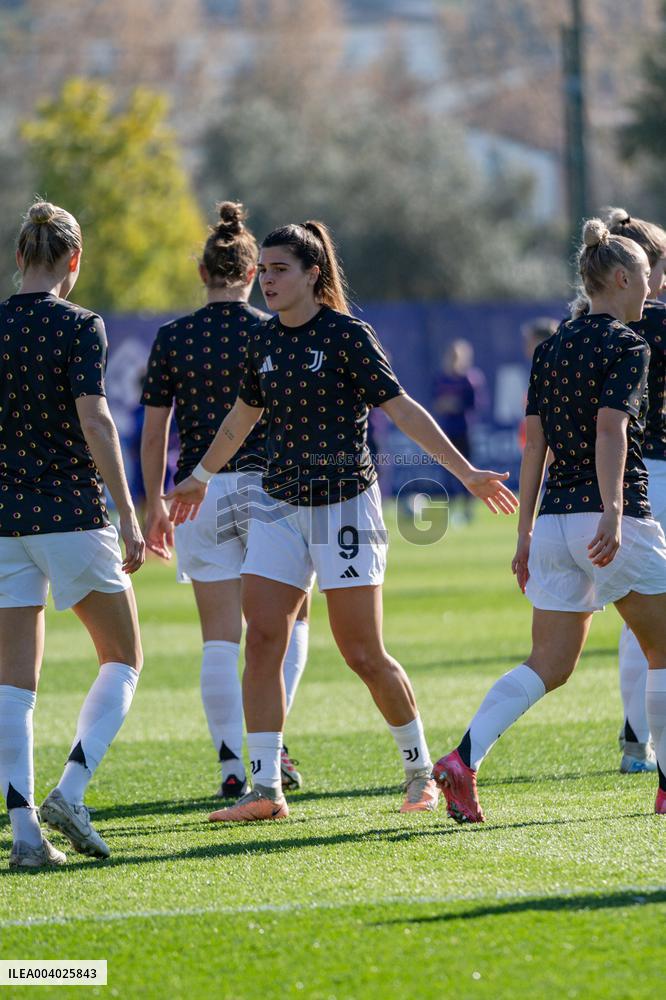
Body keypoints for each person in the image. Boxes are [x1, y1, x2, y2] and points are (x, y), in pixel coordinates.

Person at [165, 219, 518, 824]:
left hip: (345, 507)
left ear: (312, 274)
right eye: (265, 270)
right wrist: (198, 474)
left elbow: (402, 409)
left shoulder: (349, 335)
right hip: (277, 507)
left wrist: (467, 474)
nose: (268, 281)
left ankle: (419, 772)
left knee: (362, 651)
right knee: (263, 641)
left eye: (280, 270)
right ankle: (265, 790)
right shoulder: (264, 341)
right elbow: (240, 419)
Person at [432, 217, 666, 822]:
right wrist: (614, 512)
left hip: (557, 522)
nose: (652, 289)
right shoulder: (628, 343)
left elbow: (534, 444)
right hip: (612, 519)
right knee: (664, 649)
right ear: (619, 277)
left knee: (549, 665)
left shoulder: (554, 345)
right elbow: (611, 430)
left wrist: (524, 532)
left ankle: (463, 758)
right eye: (646, 277)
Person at [140, 202, 309, 799]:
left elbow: (155, 431)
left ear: (203, 272)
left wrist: (153, 502)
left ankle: (232, 765)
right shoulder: (273, 329)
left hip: (198, 493)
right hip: (270, 488)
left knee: (219, 636)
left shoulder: (173, 336)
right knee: (292, 622)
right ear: (251, 273)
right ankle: (275, 746)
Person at [0, 201, 145, 869]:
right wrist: (131, 514)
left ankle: (27, 836)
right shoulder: (81, 324)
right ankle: (72, 791)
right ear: (73, 262)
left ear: (20, 256)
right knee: (123, 659)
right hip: (71, 514)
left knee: (12, 687)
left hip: (5, 522)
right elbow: (97, 422)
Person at [606, 208, 666, 773]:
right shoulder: (659, 323)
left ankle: (636, 738)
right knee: (655, 612)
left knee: (636, 614)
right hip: (659, 471)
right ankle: (643, 738)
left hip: (612, 475)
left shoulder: (585, 322)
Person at [431, 339, 486, 521]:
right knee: (447, 471)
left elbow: (476, 404)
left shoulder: (469, 379)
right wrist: (443, 405)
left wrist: (456, 404)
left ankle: (467, 509)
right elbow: (435, 403)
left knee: (467, 469)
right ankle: (451, 508)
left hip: (464, 430)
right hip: (445, 432)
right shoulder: (441, 378)